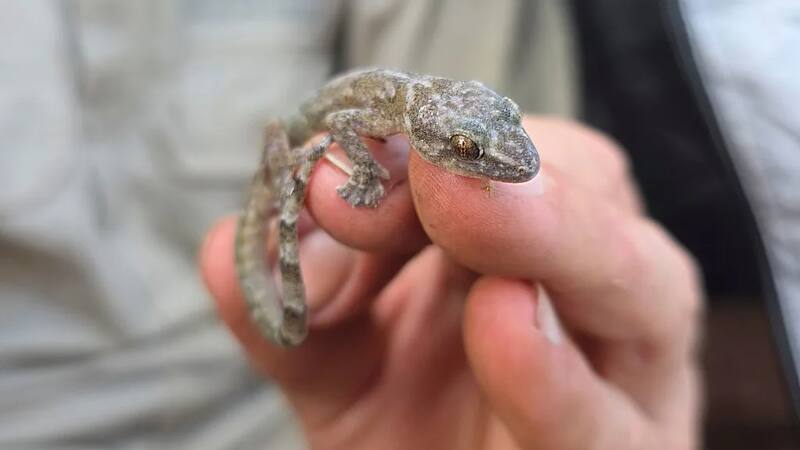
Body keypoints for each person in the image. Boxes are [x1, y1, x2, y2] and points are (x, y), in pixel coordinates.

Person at [200, 117, 703, 448]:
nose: (515, 163)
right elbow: (345, 121)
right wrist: (366, 171)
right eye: (467, 149)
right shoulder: (382, 115)